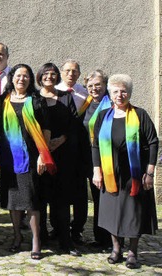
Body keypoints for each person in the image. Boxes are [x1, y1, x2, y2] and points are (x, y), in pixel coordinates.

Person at [92, 74, 158, 269]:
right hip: (110, 172)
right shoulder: (104, 116)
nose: (119, 95)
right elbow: (95, 145)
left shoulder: (140, 114)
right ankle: (116, 248)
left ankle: (132, 252)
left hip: (134, 174)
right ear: (110, 94)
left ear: (129, 93)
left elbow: (153, 142)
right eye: (115, 91)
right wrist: (97, 170)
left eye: (123, 91)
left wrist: (150, 172)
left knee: (133, 213)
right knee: (112, 213)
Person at [0, 64, 55, 260]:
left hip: (32, 157)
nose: (21, 79)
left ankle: (36, 241)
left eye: (26, 76)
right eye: (18, 75)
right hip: (9, 158)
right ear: (12, 78)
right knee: (13, 201)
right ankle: (16, 237)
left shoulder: (37, 101)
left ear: (30, 80)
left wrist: (42, 154)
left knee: (32, 200)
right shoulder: (2, 100)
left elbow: (46, 130)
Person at [35, 63, 81, 256]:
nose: (50, 77)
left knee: (61, 201)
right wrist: (43, 148)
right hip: (38, 157)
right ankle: (42, 239)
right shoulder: (34, 98)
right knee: (40, 199)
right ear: (40, 76)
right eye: (46, 74)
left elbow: (74, 124)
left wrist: (60, 140)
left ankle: (65, 241)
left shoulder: (66, 97)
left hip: (62, 156)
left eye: (54, 74)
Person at [54, 59, 89, 244]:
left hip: (79, 149)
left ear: (79, 74)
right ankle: (58, 227)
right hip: (58, 148)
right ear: (62, 72)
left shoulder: (85, 94)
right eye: (67, 70)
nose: (71, 74)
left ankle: (77, 228)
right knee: (59, 191)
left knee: (79, 192)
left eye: (74, 71)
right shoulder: (54, 91)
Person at [81, 70, 113, 249]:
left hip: (104, 159)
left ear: (105, 86)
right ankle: (100, 237)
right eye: (90, 86)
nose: (94, 89)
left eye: (98, 85)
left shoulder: (111, 105)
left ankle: (110, 239)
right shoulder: (86, 104)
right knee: (96, 198)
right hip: (86, 158)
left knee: (105, 199)